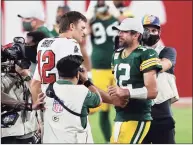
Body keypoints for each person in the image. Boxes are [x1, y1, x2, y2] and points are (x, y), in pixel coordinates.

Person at [107, 17, 162, 143]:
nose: (120, 35)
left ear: (136, 35)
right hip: (120, 115)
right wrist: (115, 95)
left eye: (124, 32)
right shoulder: (116, 55)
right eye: (119, 31)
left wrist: (127, 92)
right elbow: (119, 87)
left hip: (138, 116)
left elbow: (152, 92)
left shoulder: (147, 53)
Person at [42, 55, 102, 143]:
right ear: (78, 74)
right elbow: (99, 100)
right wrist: (86, 80)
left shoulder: (48, 89)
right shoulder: (83, 92)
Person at [141, 14, 179, 144]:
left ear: (159, 32)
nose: (151, 33)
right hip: (139, 116)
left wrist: (139, 63)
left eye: (154, 30)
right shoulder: (133, 52)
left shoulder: (168, 51)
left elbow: (164, 64)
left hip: (162, 115)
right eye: (147, 30)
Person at [88, 1, 119, 142]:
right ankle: (108, 139)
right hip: (101, 67)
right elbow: (85, 31)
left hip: (116, 65)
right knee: (101, 105)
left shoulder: (115, 19)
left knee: (121, 103)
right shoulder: (93, 21)